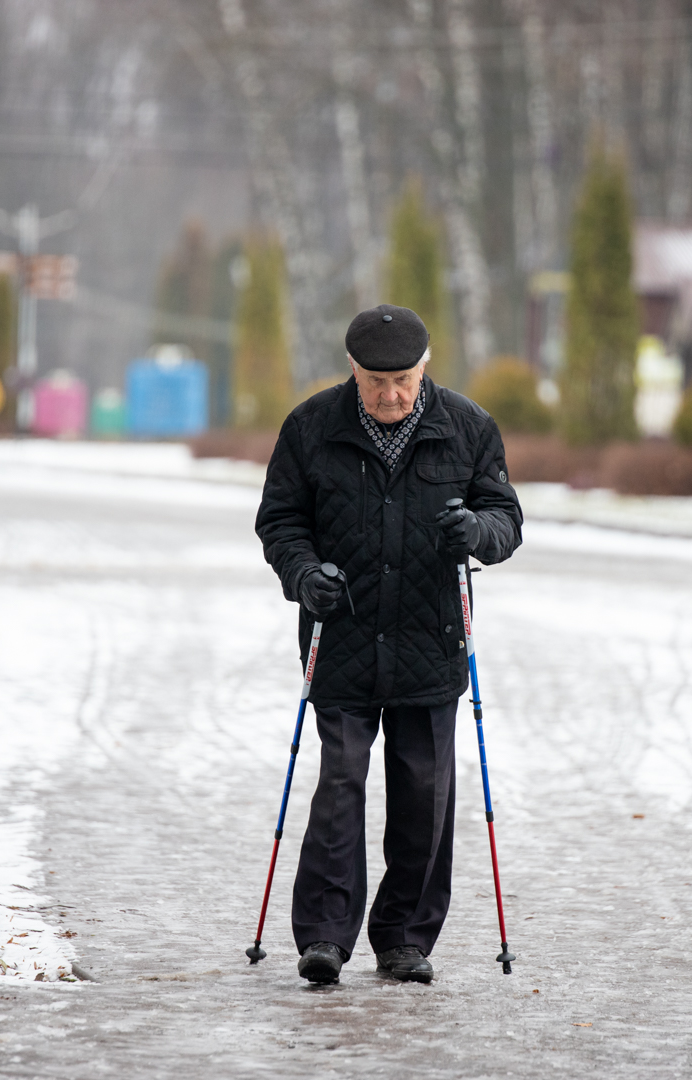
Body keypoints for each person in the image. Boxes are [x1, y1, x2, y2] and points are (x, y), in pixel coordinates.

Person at [254, 304, 523, 985]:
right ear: (353, 371)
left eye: (403, 379)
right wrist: (304, 573)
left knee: (424, 791)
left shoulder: (466, 427)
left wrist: (479, 534)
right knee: (340, 786)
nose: (390, 395)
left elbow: (505, 519)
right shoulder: (311, 426)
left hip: (429, 641)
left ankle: (404, 938)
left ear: (424, 369)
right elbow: (281, 520)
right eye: (376, 381)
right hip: (339, 637)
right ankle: (323, 937)